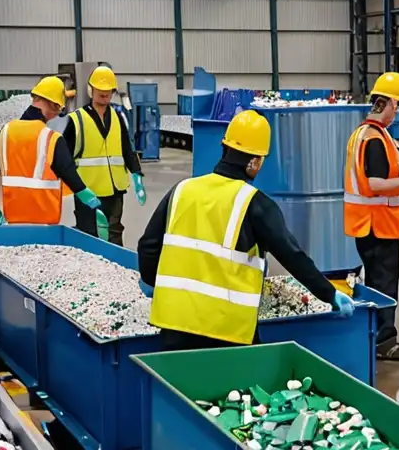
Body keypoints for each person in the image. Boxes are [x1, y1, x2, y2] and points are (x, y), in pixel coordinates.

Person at [138, 110, 352, 350]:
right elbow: (292, 256)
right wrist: (329, 294)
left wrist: (149, 279)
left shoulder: (181, 190)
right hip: (226, 331)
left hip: (174, 325)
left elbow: (148, 245)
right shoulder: (255, 204)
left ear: (224, 147)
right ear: (255, 162)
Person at [344, 72, 399, 362]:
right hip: (378, 225)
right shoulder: (374, 139)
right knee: (385, 283)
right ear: (386, 103)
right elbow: (374, 184)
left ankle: (373, 336)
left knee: (376, 281)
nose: (398, 112)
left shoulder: (363, 133)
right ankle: (385, 341)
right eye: (397, 105)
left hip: (368, 224)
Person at [0, 76, 108, 237]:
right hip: (45, 225)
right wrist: (92, 202)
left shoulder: (3, 134)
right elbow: (70, 175)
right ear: (54, 105)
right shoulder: (51, 139)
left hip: (9, 222)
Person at [62, 66, 145, 246]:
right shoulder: (77, 119)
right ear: (91, 90)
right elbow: (63, 159)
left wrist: (137, 174)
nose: (104, 93)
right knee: (89, 235)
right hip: (88, 192)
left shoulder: (117, 117)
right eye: (100, 89)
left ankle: (116, 270)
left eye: (109, 90)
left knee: (114, 233)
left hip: (115, 190)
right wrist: (76, 188)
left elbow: (127, 149)